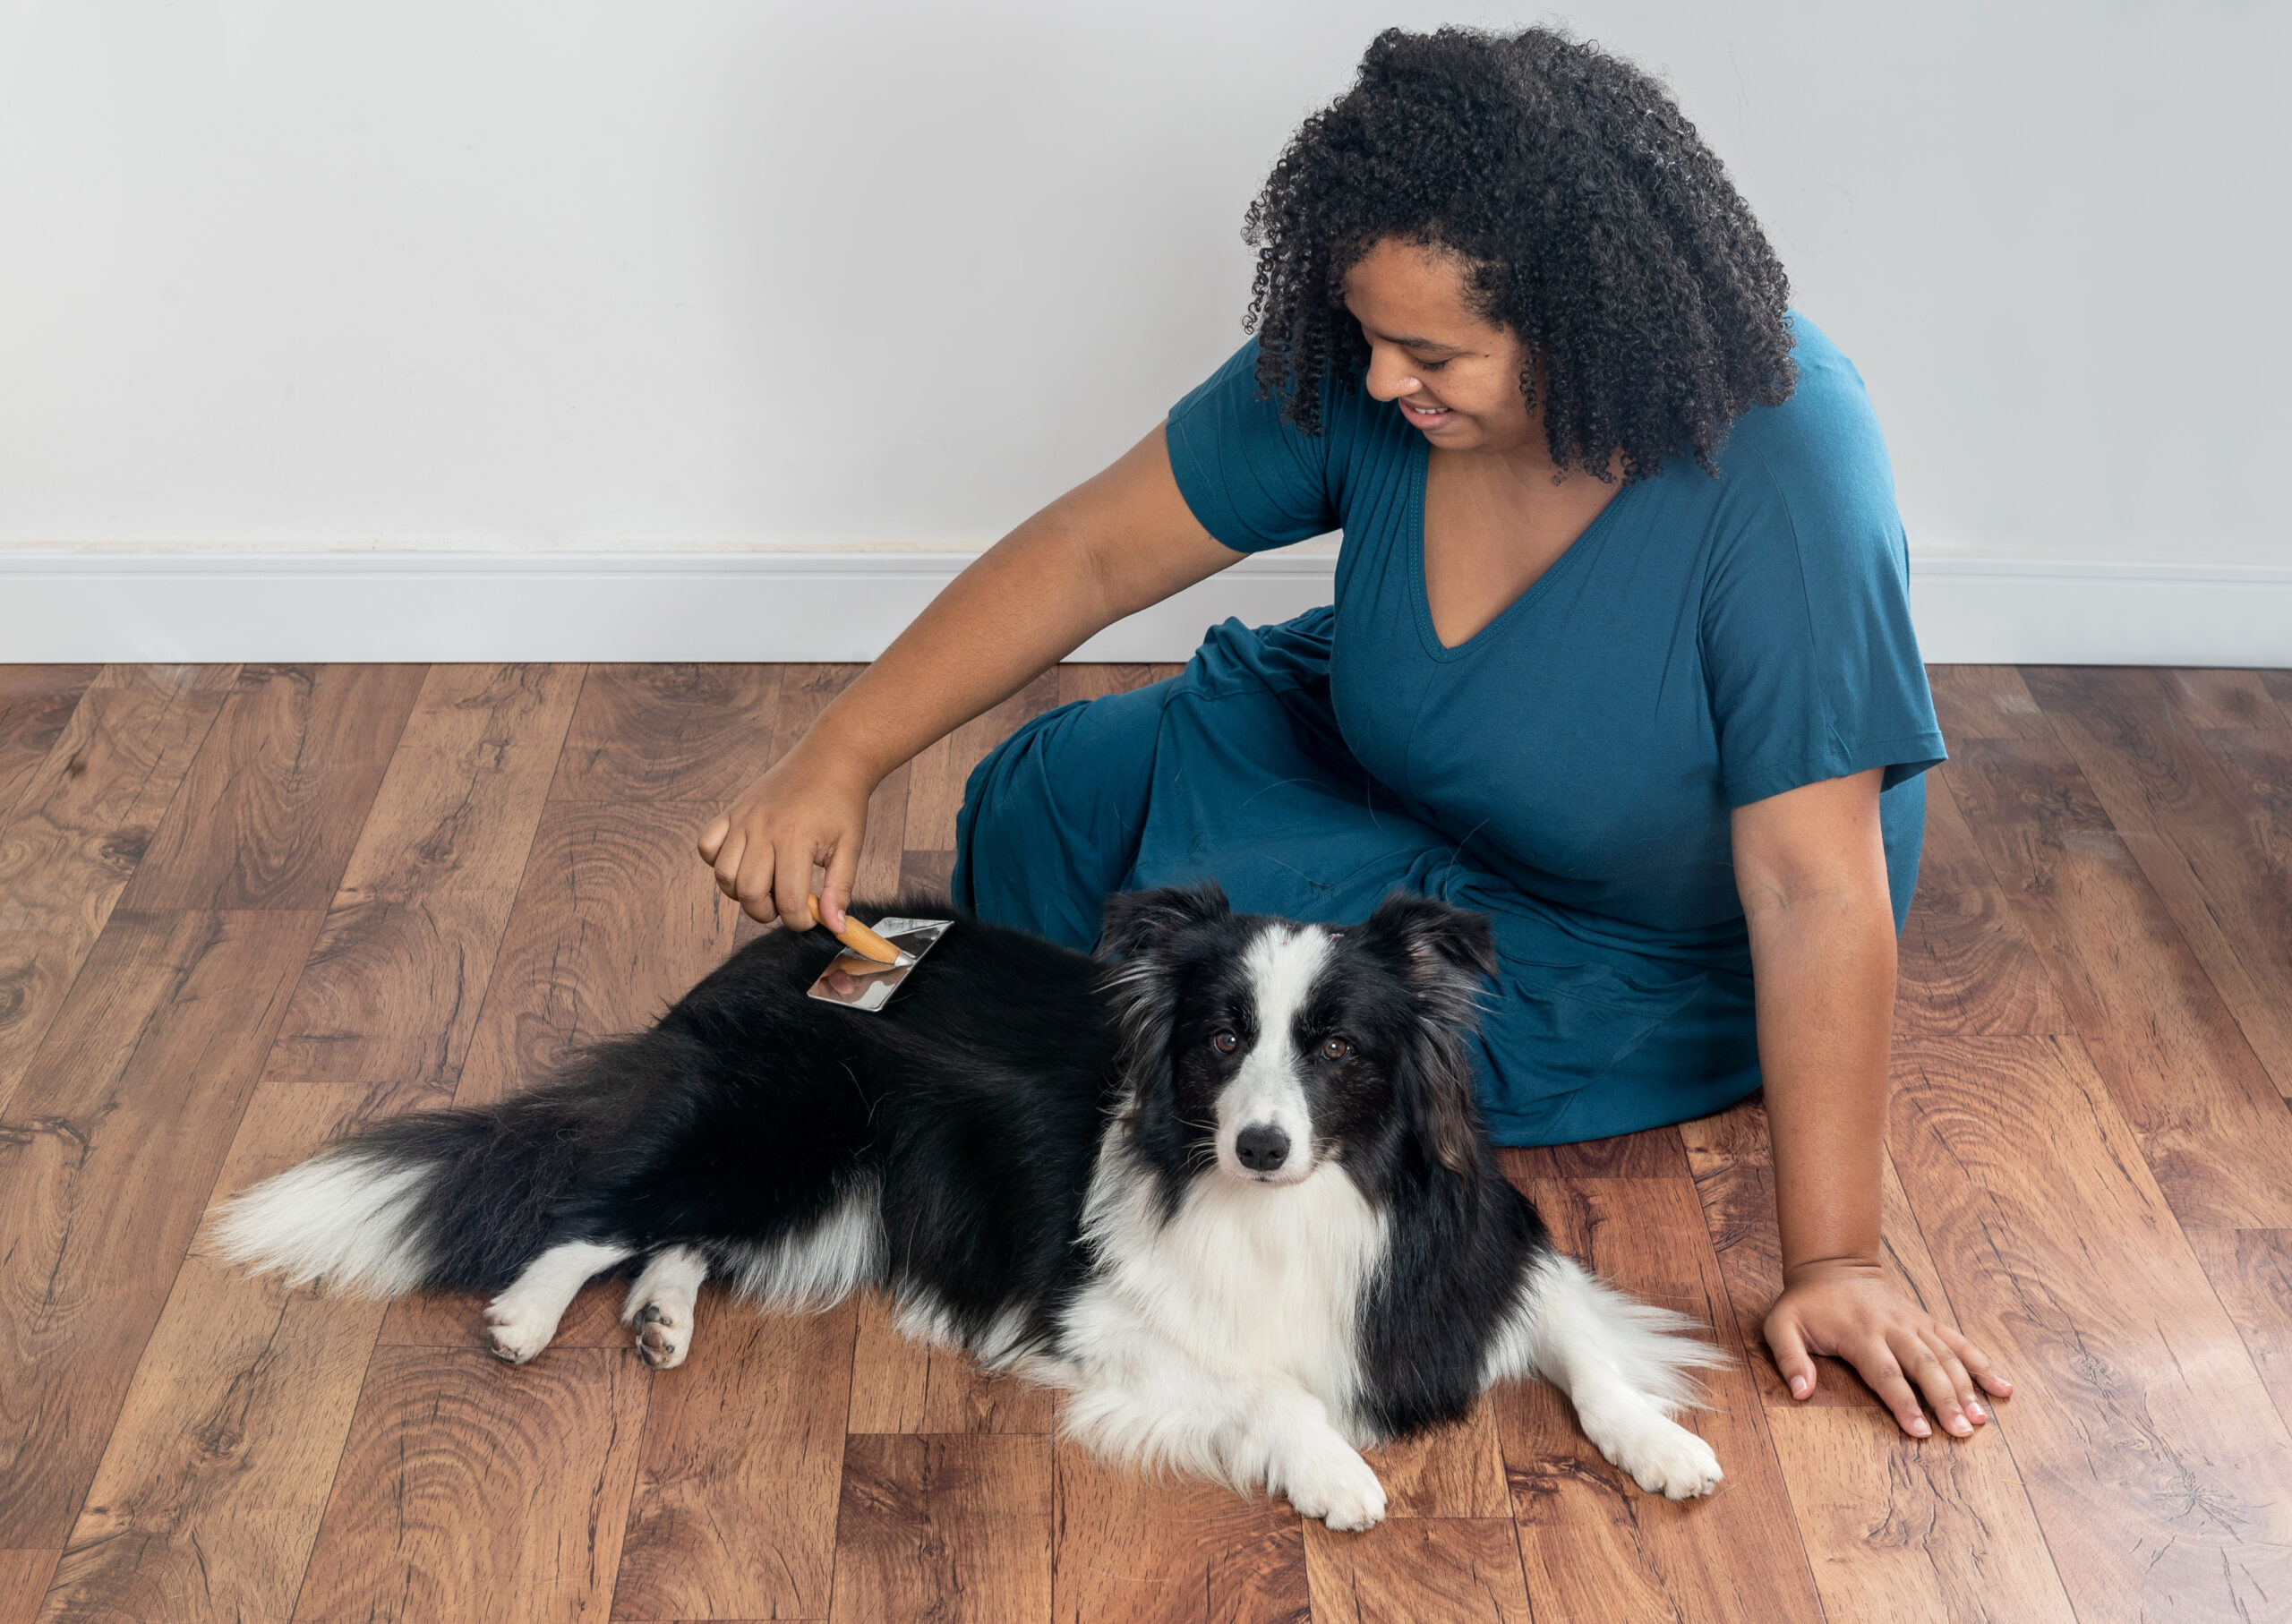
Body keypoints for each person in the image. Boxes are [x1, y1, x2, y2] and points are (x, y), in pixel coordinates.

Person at [697, 24, 2010, 1440]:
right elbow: (1089, 549)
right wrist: (839, 751)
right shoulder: (1374, 368)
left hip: (1627, 920)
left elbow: (1815, 887)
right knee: (1039, 803)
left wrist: (1837, 1261)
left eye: (1430, 351)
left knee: (1349, 1049)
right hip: (1395, 757)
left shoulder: (1787, 461)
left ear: (1582, 319)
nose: (1381, 382)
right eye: (1368, 335)